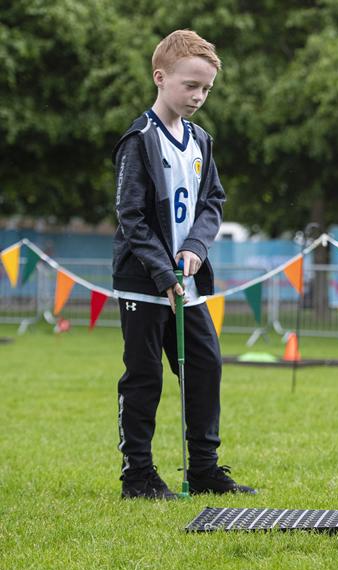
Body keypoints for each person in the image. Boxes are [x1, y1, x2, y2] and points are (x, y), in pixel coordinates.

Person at [112, 29, 255, 499]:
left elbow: (212, 200)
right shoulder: (139, 140)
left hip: (188, 283)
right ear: (161, 77)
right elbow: (130, 216)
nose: (199, 96)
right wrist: (161, 272)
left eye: (207, 88)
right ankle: (138, 475)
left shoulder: (200, 142)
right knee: (145, 376)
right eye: (190, 85)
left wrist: (196, 246)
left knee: (205, 365)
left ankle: (205, 469)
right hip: (145, 284)